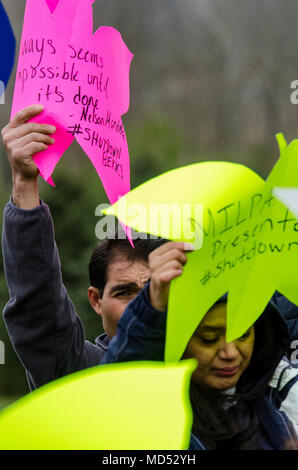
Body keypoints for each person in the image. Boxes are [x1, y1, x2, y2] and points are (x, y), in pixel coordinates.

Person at [1, 104, 298, 398]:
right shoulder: (86, 378)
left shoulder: (231, 372)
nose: (145, 303)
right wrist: (24, 185)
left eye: (157, 288)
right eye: (124, 292)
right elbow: (40, 313)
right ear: (96, 300)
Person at [101, 247, 298, 450]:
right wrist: (150, 308)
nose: (230, 353)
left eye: (242, 335)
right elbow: (119, 389)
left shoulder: (277, 408)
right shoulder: (152, 417)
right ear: (177, 341)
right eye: (209, 339)